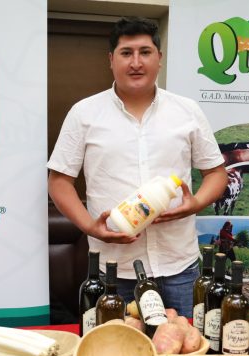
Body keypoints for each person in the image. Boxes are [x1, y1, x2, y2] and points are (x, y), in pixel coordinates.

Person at [47, 16, 228, 318]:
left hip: (180, 266)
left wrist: (195, 203)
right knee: (118, 346)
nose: (136, 62)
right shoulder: (84, 113)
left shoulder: (187, 111)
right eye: (126, 53)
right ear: (111, 60)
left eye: (145, 52)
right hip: (115, 269)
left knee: (186, 343)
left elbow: (216, 173)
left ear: (159, 58)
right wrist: (90, 227)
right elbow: (59, 181)